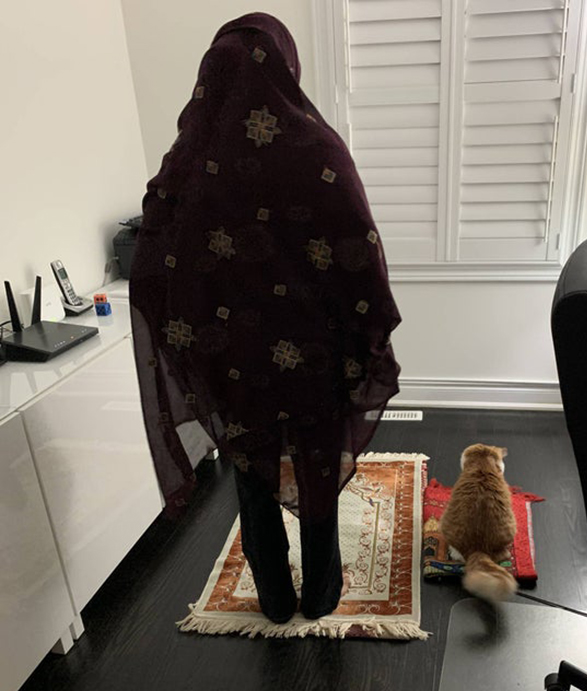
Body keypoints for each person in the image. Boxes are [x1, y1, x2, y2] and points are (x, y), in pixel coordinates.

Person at [129, 13, 401, 624]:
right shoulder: (317, 146)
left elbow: (149, 260)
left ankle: (274, 598)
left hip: (236, 359)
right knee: (316, 466)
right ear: (286, 64)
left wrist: (192, 334)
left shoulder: (187, 161)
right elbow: (359, 243)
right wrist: (361, 321)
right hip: (314, 353)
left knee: (252, 474)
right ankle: (321, 594)